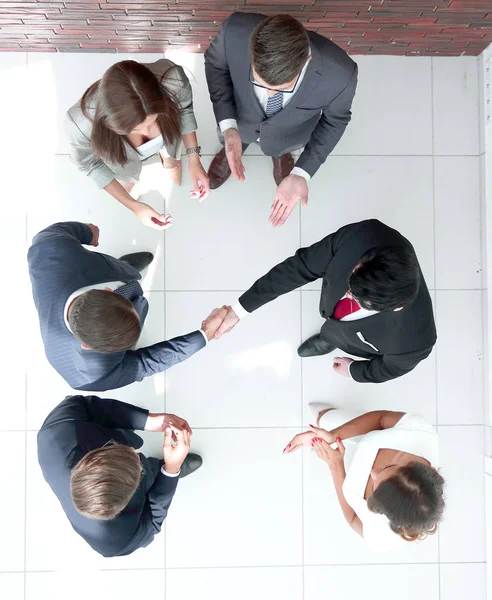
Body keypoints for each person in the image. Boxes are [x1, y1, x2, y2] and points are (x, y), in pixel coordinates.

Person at [212, 219, 437, 383]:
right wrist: (238, 311)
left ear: (395, 308)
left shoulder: (414, 343)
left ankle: (331, 338)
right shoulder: (362, 237)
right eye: (352, 282)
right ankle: (329, 335)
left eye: (358, 299)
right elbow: (298, 268)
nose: (347, 294)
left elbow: (386, 369)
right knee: (332, 324)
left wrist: (353, 371)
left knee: (339, 334)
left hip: (356, 341)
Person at [28, 221, 227, 391]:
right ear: (87, 346)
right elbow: (146, 364)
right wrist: (204, 335)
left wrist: (88, 232)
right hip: (95, 281)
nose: (138, 304)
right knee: (133, 293)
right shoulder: (89, 376)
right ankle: (126, 273)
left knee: (127, 275)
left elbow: (54, 234)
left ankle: (125, 268)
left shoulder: (49, 249)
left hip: (97, 270)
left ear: (107, 291)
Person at [204, 13, 357, 227]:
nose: (270, 95)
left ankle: (279, 153)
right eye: (260, 83)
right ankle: (237, 141)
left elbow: (335, 121)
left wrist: (302, 172)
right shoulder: (233, 32)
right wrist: (228, 126)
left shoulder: (341, 75)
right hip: (241, 120)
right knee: (238, 135)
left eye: (283, 88)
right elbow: (215, 65)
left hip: (290, 134)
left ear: (306, 61)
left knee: (279, 146)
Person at [38, 394, 201, 557]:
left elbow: (86, 406)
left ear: (96, 455)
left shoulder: (54, 432)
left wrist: (147, 421)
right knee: (157, 473)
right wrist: (171, 469)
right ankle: (160, 471)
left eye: (127, 453)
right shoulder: (117, 542)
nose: (135, 452)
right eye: (139, 468)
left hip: (94, 437)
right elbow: (152, 524)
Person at [65, 59, 210, 230]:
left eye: (152, 121)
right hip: (122, 160)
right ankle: (129, 180)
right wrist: (133, 205)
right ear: (110, 123)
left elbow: (185, 109)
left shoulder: (173, 80)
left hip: (169, 140)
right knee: (126, 181)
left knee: (170, 149)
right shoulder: (80, 124)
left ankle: (168, 157)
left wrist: (193, 157)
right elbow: (89, 165)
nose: (148, 134)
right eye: (135, 129)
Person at [284, 407, 444, 552]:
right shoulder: (420, 432)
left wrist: (335, 466)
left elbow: (353, 519)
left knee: (323, 424)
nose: (373, 472)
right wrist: (333, 436)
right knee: (325, 417)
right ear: (411, 467)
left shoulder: (383, 537)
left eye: (376, 485)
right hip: (360, 435)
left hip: (342, 469)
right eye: (388, 467)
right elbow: (381, 419)